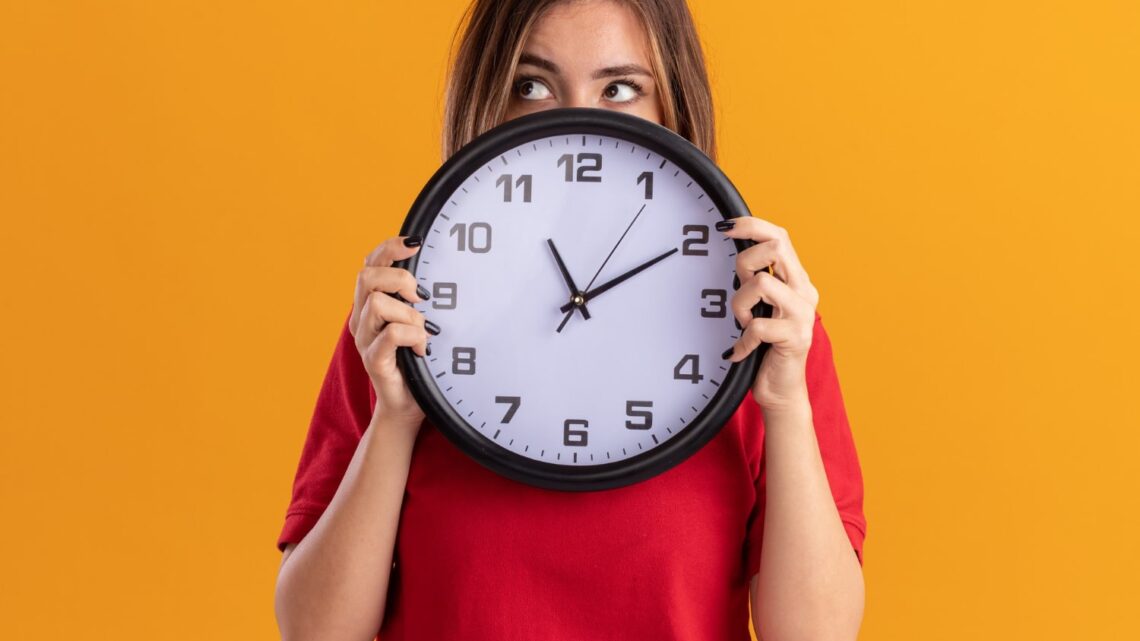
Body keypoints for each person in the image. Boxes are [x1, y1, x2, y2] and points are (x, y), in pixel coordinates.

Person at [274, 1, 867, 639]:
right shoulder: (401, 320)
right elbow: (316, 633)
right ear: (484, 107)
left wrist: (784, 405)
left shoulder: (764, 326)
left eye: (619, 89)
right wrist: (395, 419)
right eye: (531, 87)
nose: (573, 122)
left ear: (673, 109)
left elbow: (815, 634)